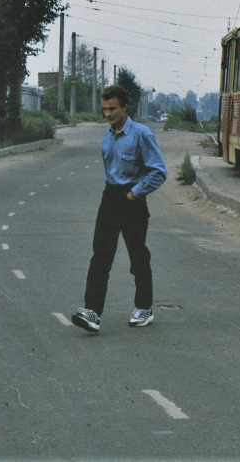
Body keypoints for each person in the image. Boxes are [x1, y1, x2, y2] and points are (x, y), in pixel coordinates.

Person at [72, 85, 167, 333]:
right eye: (104, 109)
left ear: (125, 107)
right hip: (110, 198)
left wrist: (134, 193)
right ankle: (92, 312)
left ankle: (144, 307)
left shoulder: (141, 134)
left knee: (137, 256)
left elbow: (159, 171)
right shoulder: (108, 135)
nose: (108, 114)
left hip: (132, 201)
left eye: (112, 109)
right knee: (101, 256)